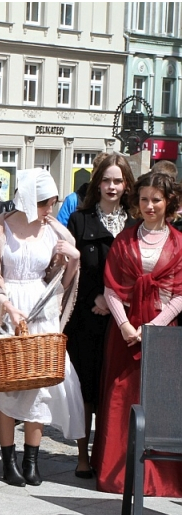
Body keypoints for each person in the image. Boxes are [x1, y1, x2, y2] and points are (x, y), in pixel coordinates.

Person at [0, 169, 85, 486]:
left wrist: (73, 259)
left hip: (41, 309)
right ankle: (8, 460)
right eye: (44, 204)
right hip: (9, 308)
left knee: (40, 384)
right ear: (29, 199)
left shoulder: (55, 231)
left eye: (53, 204)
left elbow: (60, 280)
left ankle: (32, 459)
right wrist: (5, 306)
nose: (49, 211)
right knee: (8, 382)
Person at [93, 171, 182, 497]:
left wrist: (154, 328)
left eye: (156, 199)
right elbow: (112, 288)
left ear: (168, 202)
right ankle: (118, 476)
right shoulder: (125, 240)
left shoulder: (179, 243)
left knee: (159, 404)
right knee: (121, 400)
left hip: (162, 334)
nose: (149, 205)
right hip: (125, 333)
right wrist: (126, 326)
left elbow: (180, 294)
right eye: (144, 199)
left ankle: (161, 479)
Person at [64, 153, 135, 478]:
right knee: (86, 389)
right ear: (97, 183)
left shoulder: (135, 223)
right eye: (106, 180)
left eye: (117, 180)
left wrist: (116, 300)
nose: (111, 186)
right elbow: (72, 272)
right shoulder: (80, 220)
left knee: (115, 390)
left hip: (125, 319)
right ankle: (82, 455)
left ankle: (110, 454)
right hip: (86, 318)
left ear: (126, 184)